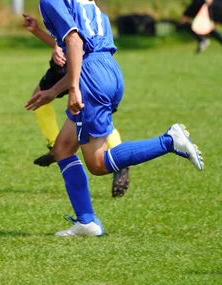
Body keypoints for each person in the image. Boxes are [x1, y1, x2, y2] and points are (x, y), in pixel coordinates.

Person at [26, 0, 204, 237]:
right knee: (63, 149)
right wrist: (54, 91)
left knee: (97, 164)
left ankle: (169, 141)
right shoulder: (88, 4)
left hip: (90, 76)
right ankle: (86, 222)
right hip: (109, 70)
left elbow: (75, 42)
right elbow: (86, 49)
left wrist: (75, 88)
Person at [22, 13, 130, 198]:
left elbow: (73, 38)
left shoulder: (67, 6)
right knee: (41, 100)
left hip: (83, 66)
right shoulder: (93, 11)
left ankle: (58, 147)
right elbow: (66, 42)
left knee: (91, 116)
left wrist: (57, 45)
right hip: (90, 66)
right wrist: (38, 31)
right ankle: (57, 147)